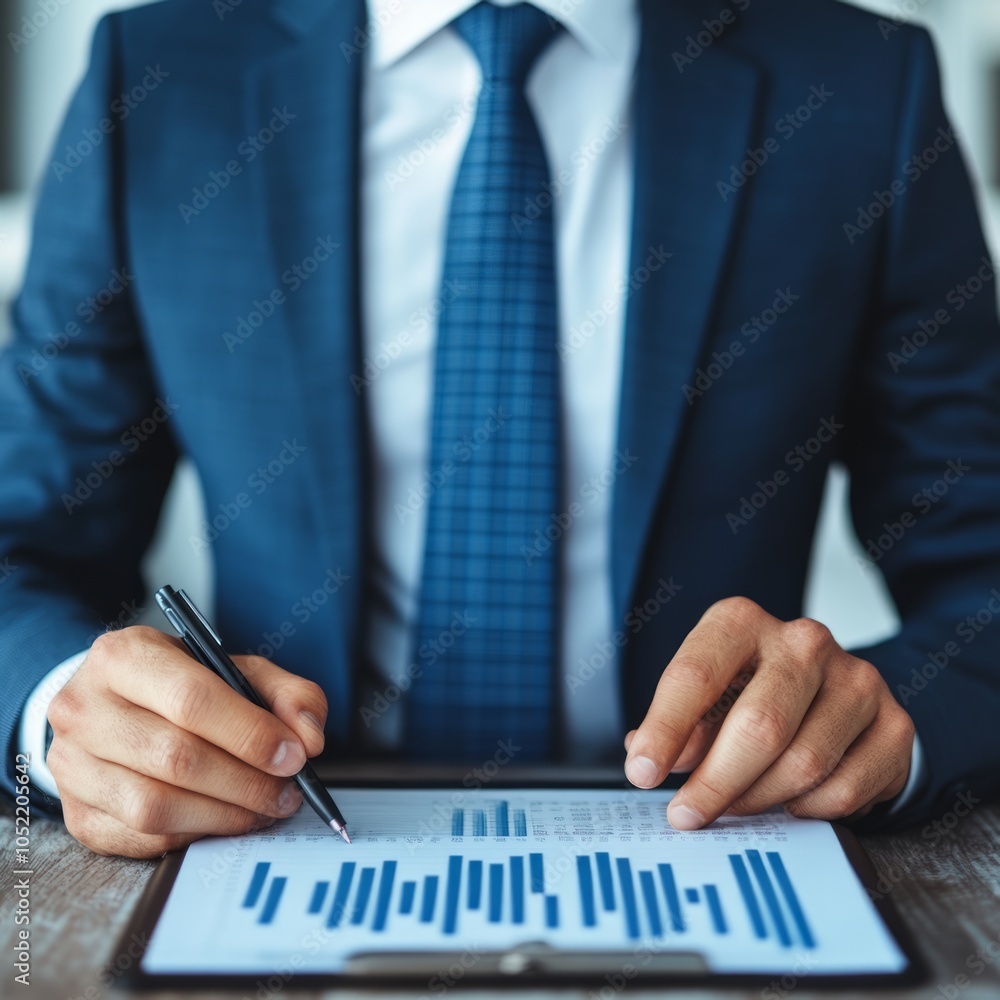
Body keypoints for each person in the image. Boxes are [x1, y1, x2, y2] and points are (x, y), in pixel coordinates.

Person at [2, 0, 998, 859]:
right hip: (274, 837)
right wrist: (64, 715)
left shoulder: (862, 90)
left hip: (716, 841)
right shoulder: (161, 81)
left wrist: (891, 726)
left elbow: (981, 565)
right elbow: (19, 542)